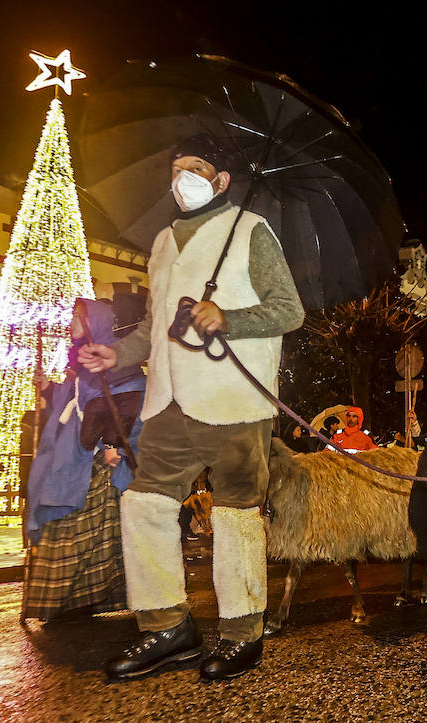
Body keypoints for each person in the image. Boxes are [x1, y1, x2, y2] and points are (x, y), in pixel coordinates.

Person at [79, 134, 304, 680]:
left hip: (234, 400)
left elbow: (289, 310)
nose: (183, 179)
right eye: (177, 169)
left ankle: (242, 631)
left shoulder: (251, 231)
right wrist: (118, 354)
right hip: (167, 400)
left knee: (235, 513)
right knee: (144, 504)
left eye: (196, 169)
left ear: (222, 180)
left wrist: (229, 317)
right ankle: (167, 626)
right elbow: (157, 331)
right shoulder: (161, 243)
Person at [24, 299, 145, 621]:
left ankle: (87, 598)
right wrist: (48, 388)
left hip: (103, 467)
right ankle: (71, 601)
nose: (72, 322)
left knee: (93, 534)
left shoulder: (117, 362)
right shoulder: (85, 367)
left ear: (95, 322)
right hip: (79, 462)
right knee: (69, 529)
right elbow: (75, 402)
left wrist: (112, 444)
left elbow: (127, 399)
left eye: (79, 317)